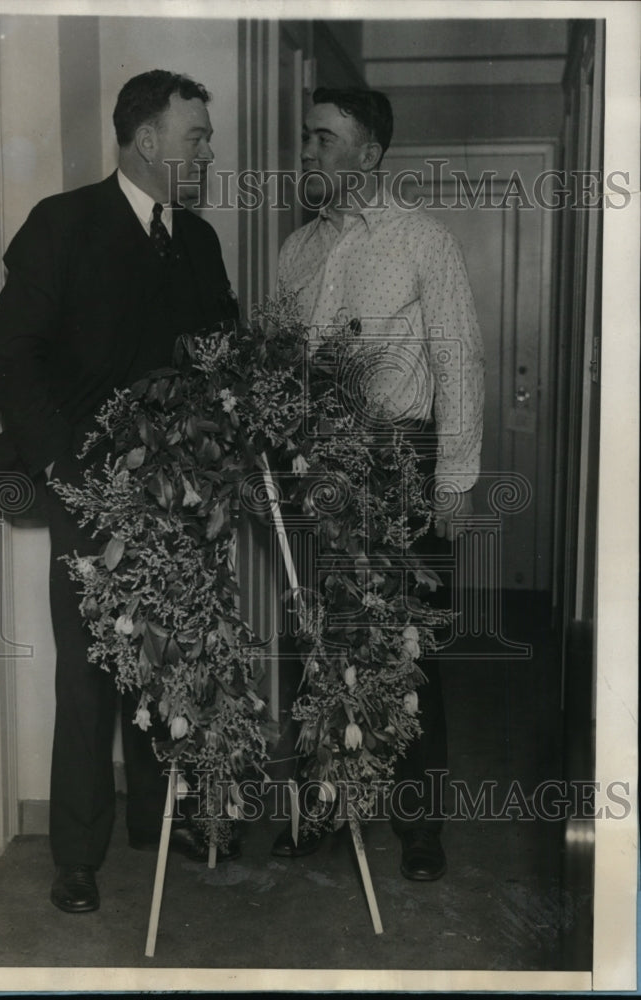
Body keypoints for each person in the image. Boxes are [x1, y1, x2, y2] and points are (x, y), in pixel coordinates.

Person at [0, 70, 239, 914]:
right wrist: (64, 472)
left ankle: (162, 820)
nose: (208, 152)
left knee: (173, 658)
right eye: (196, 137)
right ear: (148, 141)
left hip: (182, 494)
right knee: (91, 670)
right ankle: (78, 854)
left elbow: (220, 360)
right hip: (86, 491)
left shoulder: (199, 243)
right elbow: (11, 355)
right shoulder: (63, 225)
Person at [272, 87, 485, 880]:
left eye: (324, 140)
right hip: (319, 470)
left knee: (410, 648)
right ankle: (322, 807)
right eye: (306, 137)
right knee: (320, 641)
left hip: (404, 466)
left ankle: (419, 826)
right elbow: (281, 367)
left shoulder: (424, 241)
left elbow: (459, 358)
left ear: (369, 155)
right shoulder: (297, 250)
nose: (308, 152)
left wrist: (454, 479)